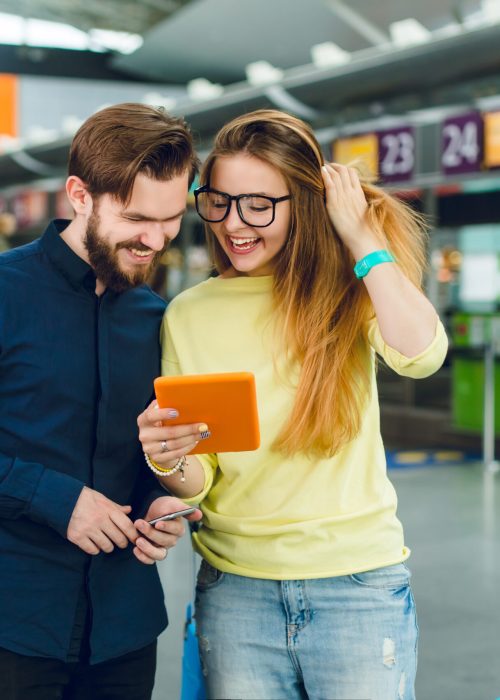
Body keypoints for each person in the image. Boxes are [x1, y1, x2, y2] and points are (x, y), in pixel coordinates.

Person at [137, 109, 448, 700]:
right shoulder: (189, 313)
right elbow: (202, 473)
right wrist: (168, 460)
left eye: (260, 205)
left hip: (356, 586)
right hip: (236, 594)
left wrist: (360, 235)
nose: (235, 224)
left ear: (303, 204)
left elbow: (422, 353)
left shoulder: (351, 289)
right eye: (219, 202)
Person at [0, 102, 202, 700]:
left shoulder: (155, 318)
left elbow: (144, 454)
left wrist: (158, 502)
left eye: (170, 220)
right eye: (137, 217)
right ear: (79, 194)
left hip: (124, 631)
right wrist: (59, 500)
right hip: (15, 626)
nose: (155, 239)